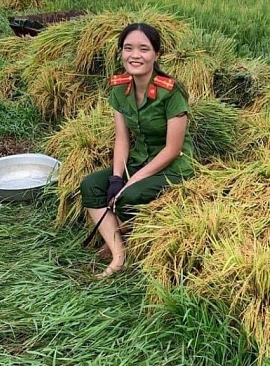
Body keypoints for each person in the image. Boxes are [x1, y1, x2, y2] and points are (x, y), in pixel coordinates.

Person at [79, 23, 195, 279]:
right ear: (121, 53)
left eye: (144, 49)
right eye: (128, 48)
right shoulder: (120, 88)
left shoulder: (171, 92)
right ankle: (117, 250)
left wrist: (132, 181)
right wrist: (117, 178)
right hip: (138, 160)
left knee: (129, 196)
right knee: (91, 186)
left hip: (173, 167)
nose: (135, 55)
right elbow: (122, 139)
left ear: (156, 54)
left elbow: (173, 149)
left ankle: (122, 251)